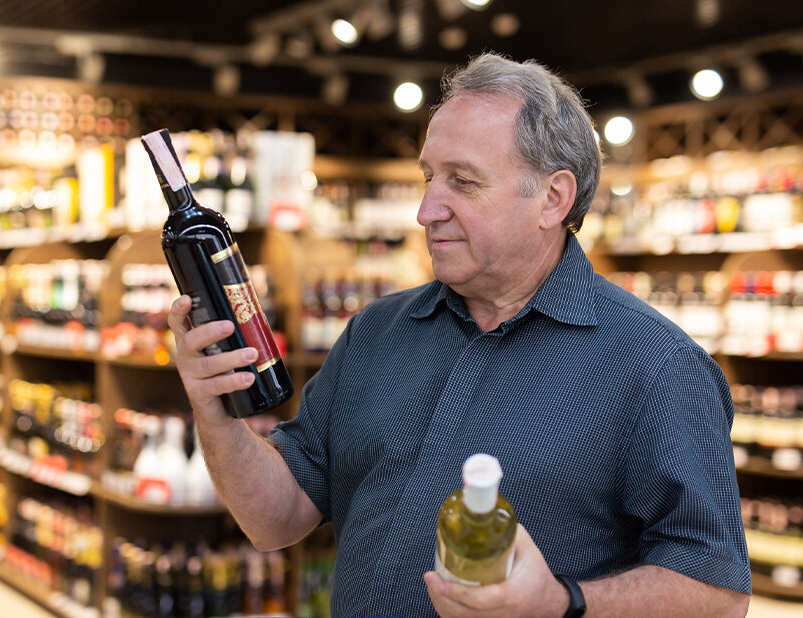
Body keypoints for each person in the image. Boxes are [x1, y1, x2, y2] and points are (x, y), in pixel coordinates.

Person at [167, 52, 751, 617]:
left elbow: (718, 593)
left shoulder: (656, 365)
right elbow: (275, 520)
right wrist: (216, 414)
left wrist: (560, 604)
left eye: (463, 182)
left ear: (553, 199)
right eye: (429, 177)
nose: (426, 210)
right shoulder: (375, 332)